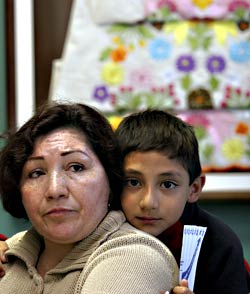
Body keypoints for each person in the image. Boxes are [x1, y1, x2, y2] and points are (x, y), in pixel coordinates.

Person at [0, 102, 180, 293]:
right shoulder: (10, 250)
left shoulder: (135, 256)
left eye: (76, 167)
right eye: (36, 173)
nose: (54, 190)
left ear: (110, 179)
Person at [114, 109, 250, 294]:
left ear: (193, 189)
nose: (149, 202)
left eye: (167, 184)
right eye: (133, 182)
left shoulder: (219, 246)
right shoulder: (101, 230)